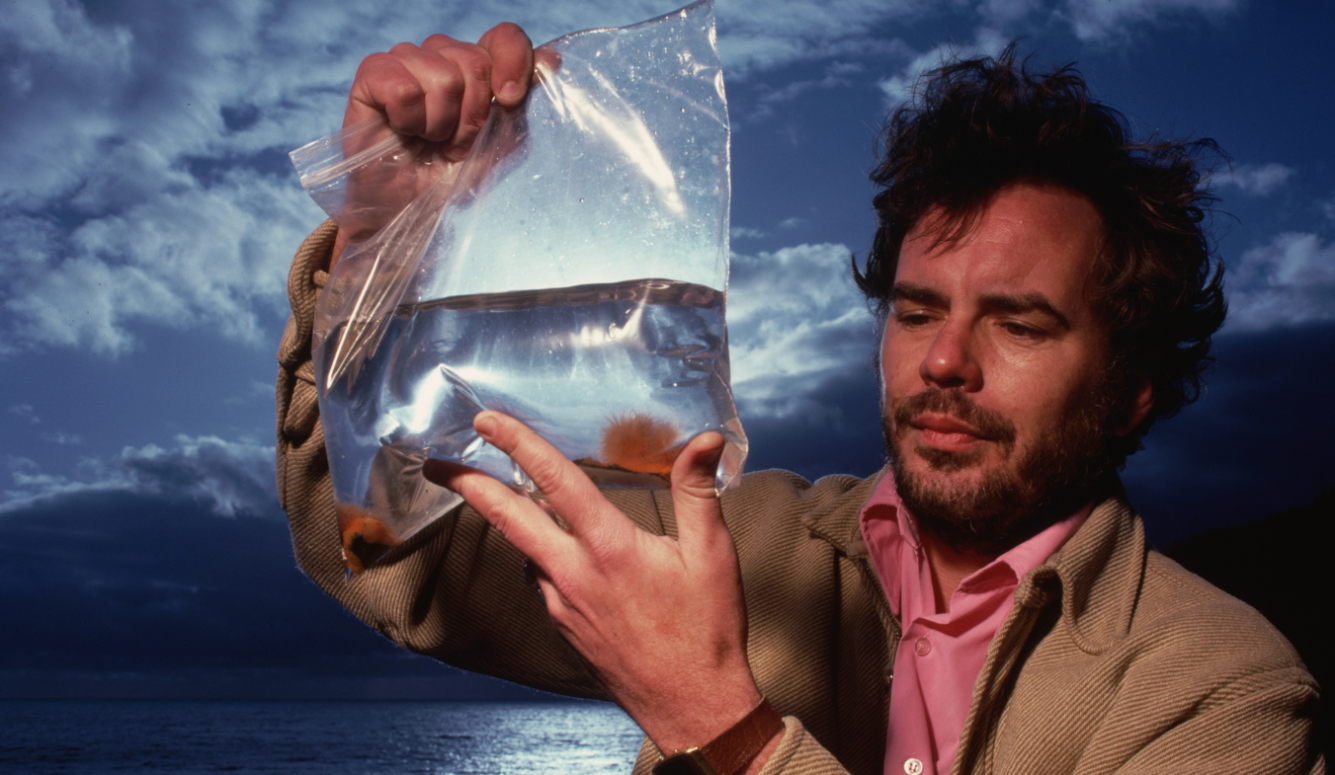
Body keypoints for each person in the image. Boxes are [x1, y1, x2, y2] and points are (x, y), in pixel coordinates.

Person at [275, 23, 1323, 775]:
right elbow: (396, 554)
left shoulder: (1222, 693)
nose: (945, 360)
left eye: (1019, 323)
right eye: (916, 310)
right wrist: (383, 249)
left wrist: (720, 724)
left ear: (1134, 389)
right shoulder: (739, 537)